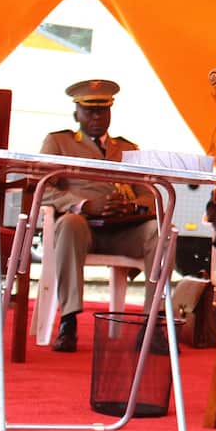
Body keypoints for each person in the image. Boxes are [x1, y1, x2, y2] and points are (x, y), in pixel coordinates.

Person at [39, 79, 159, 353]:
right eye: (89, 111)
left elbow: (150, 194)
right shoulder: (59, 142)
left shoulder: (127, 148)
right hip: (82, 229)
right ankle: (68, 321)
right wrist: (82, 205)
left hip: (121, 230)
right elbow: (41, 188)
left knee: (160, 232)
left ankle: (152, 324)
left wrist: (133, 207)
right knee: (70, 223)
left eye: (102, 111)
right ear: (76, 114)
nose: (96, 117)